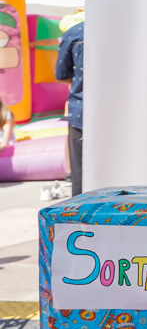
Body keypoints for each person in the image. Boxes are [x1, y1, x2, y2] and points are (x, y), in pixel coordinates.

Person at [56, 13, 85, 195]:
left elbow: (61, 75)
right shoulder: (128, 29)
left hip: (82, 111)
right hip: (122, 112)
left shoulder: (75, 33)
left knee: (80, 174)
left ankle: (80, 212)